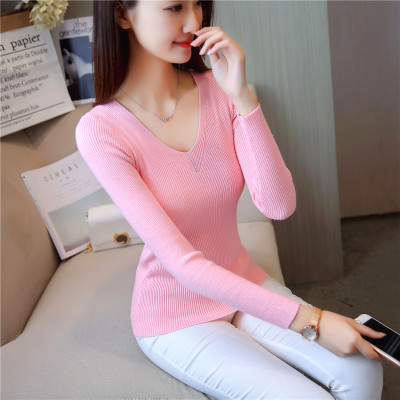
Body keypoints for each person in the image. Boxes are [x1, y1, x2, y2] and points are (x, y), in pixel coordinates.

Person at [76, 1, 384, 398]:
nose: (194, 22)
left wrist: (241, 96)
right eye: (174, 7)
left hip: (242, 281)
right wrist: (313, 320)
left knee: (363, 368)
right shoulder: (101, 130)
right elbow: (183, 265)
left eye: (198, 4)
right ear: (122, 14)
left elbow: (279, 205)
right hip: (177, 316)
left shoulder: (218, 89)